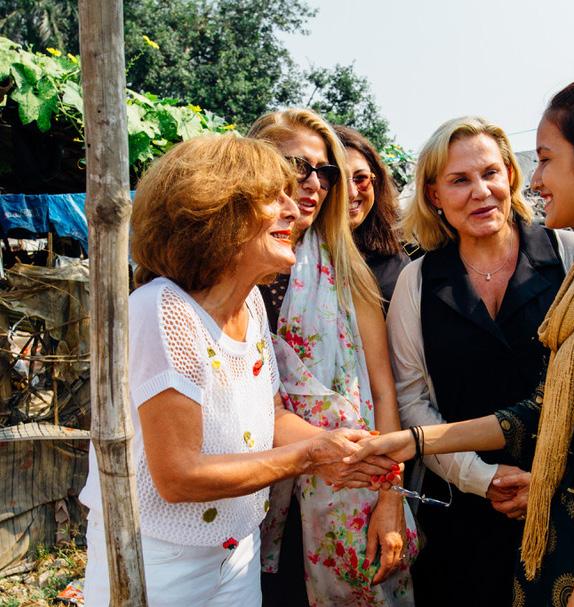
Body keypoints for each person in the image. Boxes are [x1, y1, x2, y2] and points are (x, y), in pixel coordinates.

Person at [353, 78, 574, 607]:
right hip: (520, 533)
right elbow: (546, 408)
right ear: (434, 195)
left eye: (544, 160)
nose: (535, 179)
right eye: (459, 179)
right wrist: (416, 444)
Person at [80, 135, 393, 606]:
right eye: (274, 198)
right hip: (160, 560)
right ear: (216, 210)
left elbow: (271, 416)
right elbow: (180, 475)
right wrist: (311, 456)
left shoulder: (249, 305)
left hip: (237, 551)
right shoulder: (163, 310)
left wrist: (344, 448)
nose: (293, 210)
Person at [386, 115, 574, 607]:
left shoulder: (568, 254)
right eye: (459, 180)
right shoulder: (418, 280)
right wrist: (480, 477)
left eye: (490, 173)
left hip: (563, 505)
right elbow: (412, 398)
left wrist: (549, 480)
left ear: (510, 175)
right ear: (434, 195)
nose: (480, 192)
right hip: (459, 513)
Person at [247, 109, 417, 607]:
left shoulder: (347, 267)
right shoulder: (229, 269)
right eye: (297, 165)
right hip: (249, 490)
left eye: (324, 172)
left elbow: (383, 391)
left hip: (347, 487)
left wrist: (390, 497)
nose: (314, 183)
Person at [334, 125, 410, 311]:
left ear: (376, 181)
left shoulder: (405, 251)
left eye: (361, 178)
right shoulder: (301, 260)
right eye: (338, 180)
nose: (351, 192)